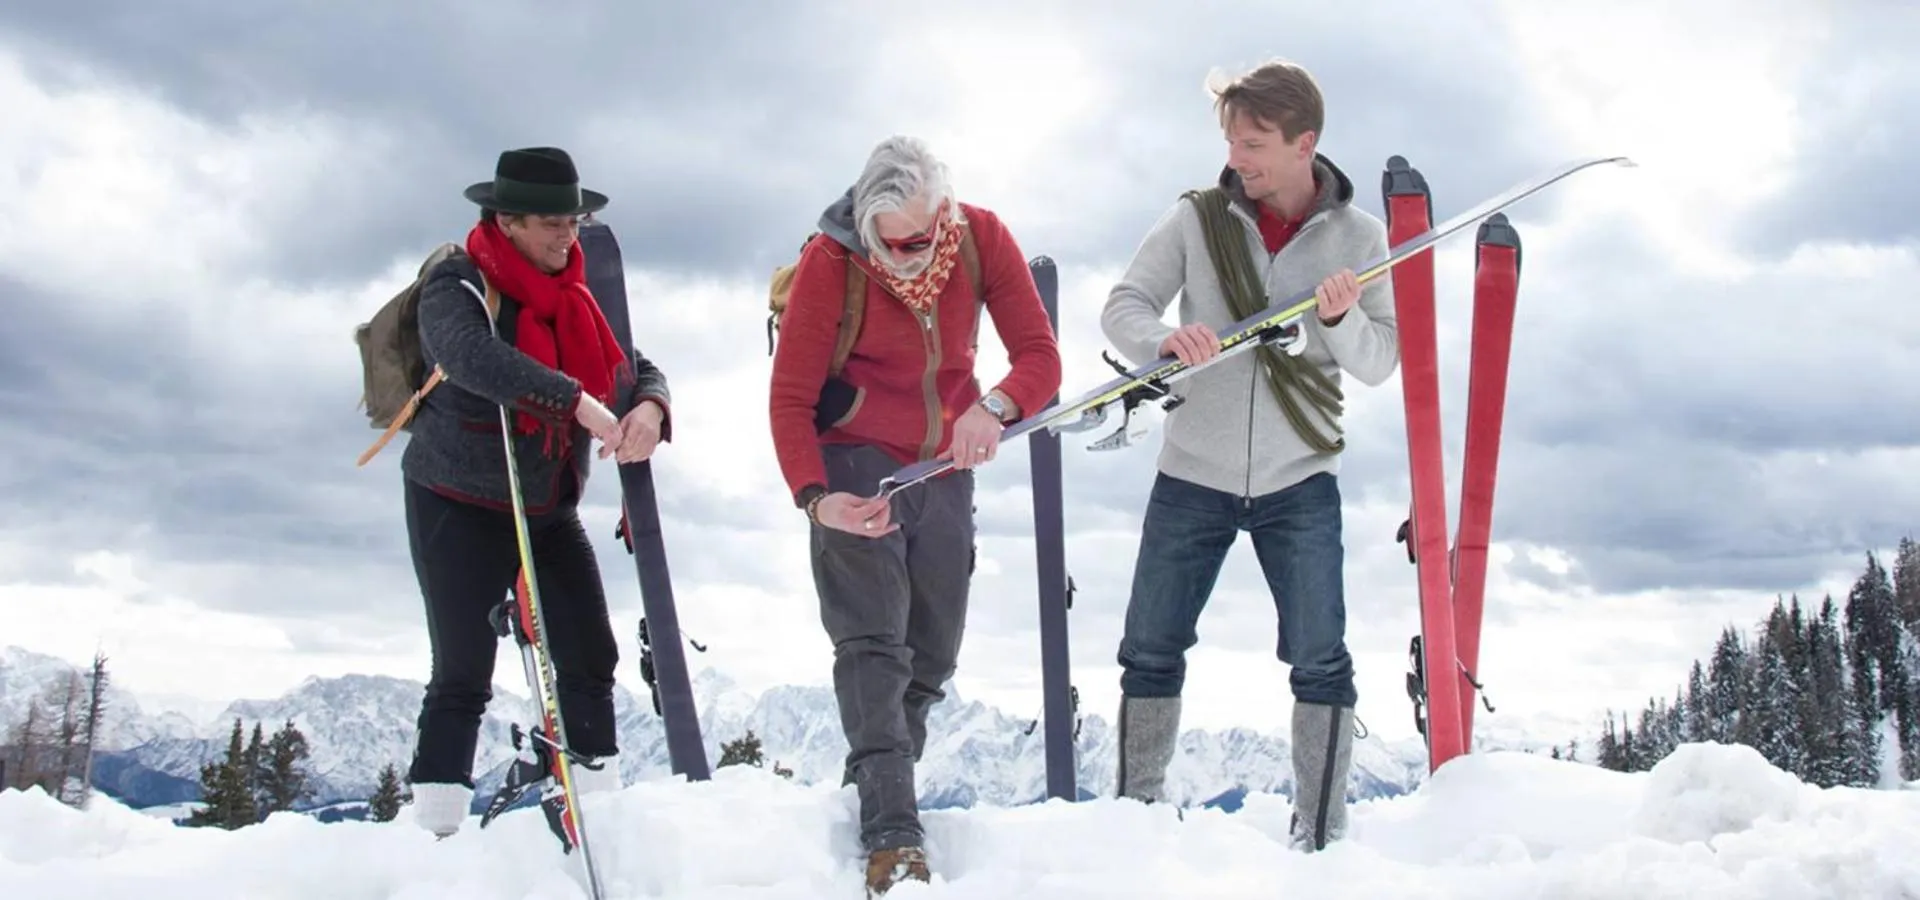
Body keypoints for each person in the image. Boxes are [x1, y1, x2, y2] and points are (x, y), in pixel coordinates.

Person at [1099, 60, 1400, 851]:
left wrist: (1337, 320)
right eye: (1232, 139)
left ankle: (1322, 837)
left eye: (1256, 141)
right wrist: (1162, 341)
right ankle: (1134, 822)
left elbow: (1378, 362)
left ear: (1307, 144)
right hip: (1189, 470)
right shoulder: (1196, 219)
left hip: (1300, 480)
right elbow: (1123, 305)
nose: (1238, 156)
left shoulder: (1363, 239)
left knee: (1319, 660)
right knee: (1150, 651)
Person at [768, 135, 1061, 894]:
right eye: (890, 243)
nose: (905, 256)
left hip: (944, 465)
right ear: (865, 223)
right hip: (854, 463)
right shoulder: (832, 265)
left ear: (945, 214)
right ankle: (891, 835)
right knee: (874, 646)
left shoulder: (981, 238)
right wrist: (816, 499)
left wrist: (994, 409)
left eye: (920, 240)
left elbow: (1040, 356)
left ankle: (867, 786)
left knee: (933, 651)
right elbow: (791, 398)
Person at [398, 146, 673, 837]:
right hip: (457, 504)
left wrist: (652, 407)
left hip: (546, 507)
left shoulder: (577, 294)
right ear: (507, 220)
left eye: (573, 222)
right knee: (462, 672)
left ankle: (594, 811)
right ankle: (435, 837)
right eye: (551, 224)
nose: (566, 237)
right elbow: (470, 358)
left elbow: (629, 363)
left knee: (591, 655)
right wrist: (577, 403)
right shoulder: (456, 284)